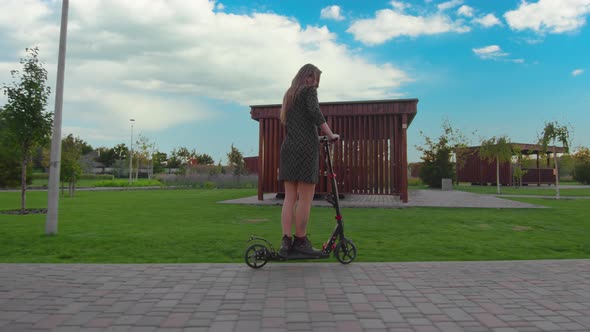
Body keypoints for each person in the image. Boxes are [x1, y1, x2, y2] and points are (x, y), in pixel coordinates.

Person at [278, 63, 339, 257]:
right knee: (305, 199)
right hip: (306, 150)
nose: (315, 84)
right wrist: (330, 135)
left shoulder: (289, 94)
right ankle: (301, 241)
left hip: (289, 148)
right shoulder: (308, 91)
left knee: (289, 198)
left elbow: (298, 121)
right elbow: (315, 113)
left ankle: (286, 243)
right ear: (307, 77)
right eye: (314, 79)